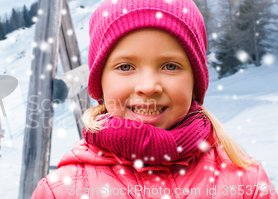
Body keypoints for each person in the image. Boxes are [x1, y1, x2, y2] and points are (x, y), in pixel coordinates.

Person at [31, 0, 277, 198]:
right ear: (101, 84)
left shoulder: (246, 182)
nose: (148, 87)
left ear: (195, 82)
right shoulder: (61, 191)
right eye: (125, 67)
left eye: (170, 66)